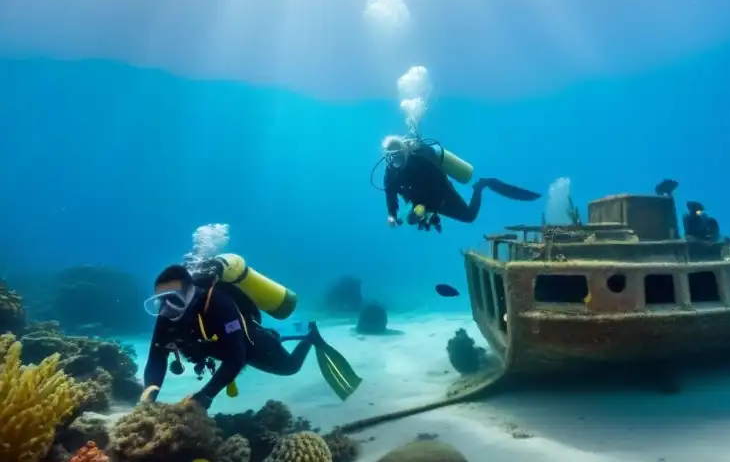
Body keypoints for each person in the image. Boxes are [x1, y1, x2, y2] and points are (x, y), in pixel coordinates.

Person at [139, 264, 359, 411]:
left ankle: (310, 337)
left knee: (290, 367)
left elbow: (237, 357)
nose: (168, 307)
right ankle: (277, 337)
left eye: (174, 299)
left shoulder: (218, 304)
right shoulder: (166, 317)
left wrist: (205, 396)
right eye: (161, 300)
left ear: (191, 292)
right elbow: (157, 357)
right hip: (215, 346)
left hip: (247, 343)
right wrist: (149, 394)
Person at [382, 135, 541, 232]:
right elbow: (390, 193)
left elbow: (440, 185)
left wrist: (428, 208)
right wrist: (392, 215)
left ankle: (481, 185)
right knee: (412, 220)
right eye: (391, 157)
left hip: (442, 194)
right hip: (420, 201)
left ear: (405, 152)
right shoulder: (390, 171)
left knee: (469, 216)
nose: (395, 161)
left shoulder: (422, 161)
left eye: (398, 156)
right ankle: (426, 214)